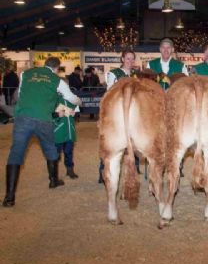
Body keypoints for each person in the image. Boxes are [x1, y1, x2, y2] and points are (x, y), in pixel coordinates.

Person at [3, 57, 81, 207]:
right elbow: (70, 97)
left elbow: (18, 94)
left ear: (44, 64)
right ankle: (53, 181)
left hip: (22, 118)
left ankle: (9, 197)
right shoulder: (57, 80)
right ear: (57, 68)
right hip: (43, 119)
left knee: (16, 153)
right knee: (50, 148)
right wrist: (79, 101)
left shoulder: (25, 74)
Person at [99, 50, 141, 183]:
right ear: (122, 59)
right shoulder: (114, 73)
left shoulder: (136, 75)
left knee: (135, 140)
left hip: (133, 112)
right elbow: (110, 92)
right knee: (111, 143)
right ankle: (103, 169)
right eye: (128, 58)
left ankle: (135, 167)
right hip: (117, 111)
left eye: (132, 59)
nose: (130, 61)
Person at [53, 95, 79, 179]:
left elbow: (78, 112)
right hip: (58, 132)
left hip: (69, 132)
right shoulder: (53, 99)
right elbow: (47, 114)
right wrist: (57, 114)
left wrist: (75, 114)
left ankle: (70, 170)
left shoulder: (72, 100)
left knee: (69, 152)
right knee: (55, 154)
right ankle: (54, 174)